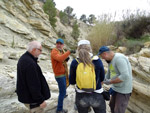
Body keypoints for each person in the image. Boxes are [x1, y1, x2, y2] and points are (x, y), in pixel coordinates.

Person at [69, 40, 106, 113]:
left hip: (81, 95)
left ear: (78, 49)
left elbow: (72, 81)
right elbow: (102, 78)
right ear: (90, 48)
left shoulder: (75, 62)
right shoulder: (97, 60)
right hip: (96, 93)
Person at [16, 41, 50, 113]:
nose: (41, 53)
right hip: (34, 103)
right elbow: (33, 85)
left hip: (28, 98)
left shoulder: (24, 59)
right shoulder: (30, 63)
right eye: (40, 50)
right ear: (34, 50)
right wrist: (41, 101)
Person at [98, 46, 132, 113]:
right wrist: (101, 81)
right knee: (112, 106)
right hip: (116, 89)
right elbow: (109, 72)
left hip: (123, 91)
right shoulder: (110, 60)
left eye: (102, 56)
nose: (102, 58)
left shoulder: (119, 59)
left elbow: (125, 76)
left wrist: (110, 82)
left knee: (119, 110)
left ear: (105, 54)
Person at [51, 38, 75, 113]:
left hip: (63, 73)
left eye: (60, 44)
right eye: (57, 43)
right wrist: (69, 52)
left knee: (67, 84)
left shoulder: (61, 51)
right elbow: (60, 59)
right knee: (62, 92)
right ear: (56, 44)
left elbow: (62, 59)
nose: (59, 45)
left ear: (63, 45)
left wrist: (66, 58)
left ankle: (63, 94)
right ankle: (59, 109)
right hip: (59, 75)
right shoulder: (54, 51)